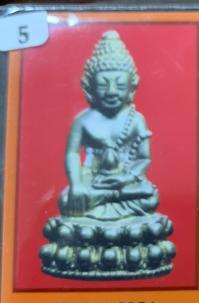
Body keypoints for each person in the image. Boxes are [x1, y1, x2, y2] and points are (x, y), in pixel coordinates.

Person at [40, 30, 175, 280]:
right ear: (90, 86)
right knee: (67, 200)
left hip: (126, 183)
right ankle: (119, 239)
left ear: (131, 86)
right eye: (103, 84)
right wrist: (77, 184)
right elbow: (72, 154)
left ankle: (87, 242)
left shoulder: (136, 120)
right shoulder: (83, 120)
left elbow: (143, 158)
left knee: (149, 196)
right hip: (92, 182)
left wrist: (126, 179)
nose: (112, 91)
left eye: (120, 85)